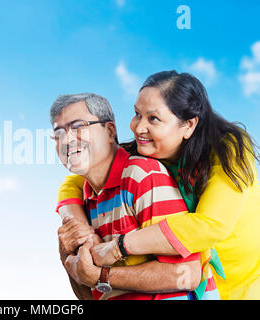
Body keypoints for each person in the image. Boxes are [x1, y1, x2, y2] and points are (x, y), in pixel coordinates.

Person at [57, 71, 260, 300]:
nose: (138, 127)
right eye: (137, 114)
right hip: (192, 287)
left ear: (189, 125)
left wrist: (117, 248)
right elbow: (74, 182)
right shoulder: (146, 150)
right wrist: (82, 231)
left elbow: (211, 225)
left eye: (153, 118)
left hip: (247, 282)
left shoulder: (228, 148)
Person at [51, 93, 218, 300]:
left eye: (78, 127)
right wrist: (68, 258)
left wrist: (101, 275)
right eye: (58, 133)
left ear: (110, 131)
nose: (67, 139)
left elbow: (186, 275)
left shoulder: (141, 175)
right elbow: (92, 293)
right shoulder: (84, 202)